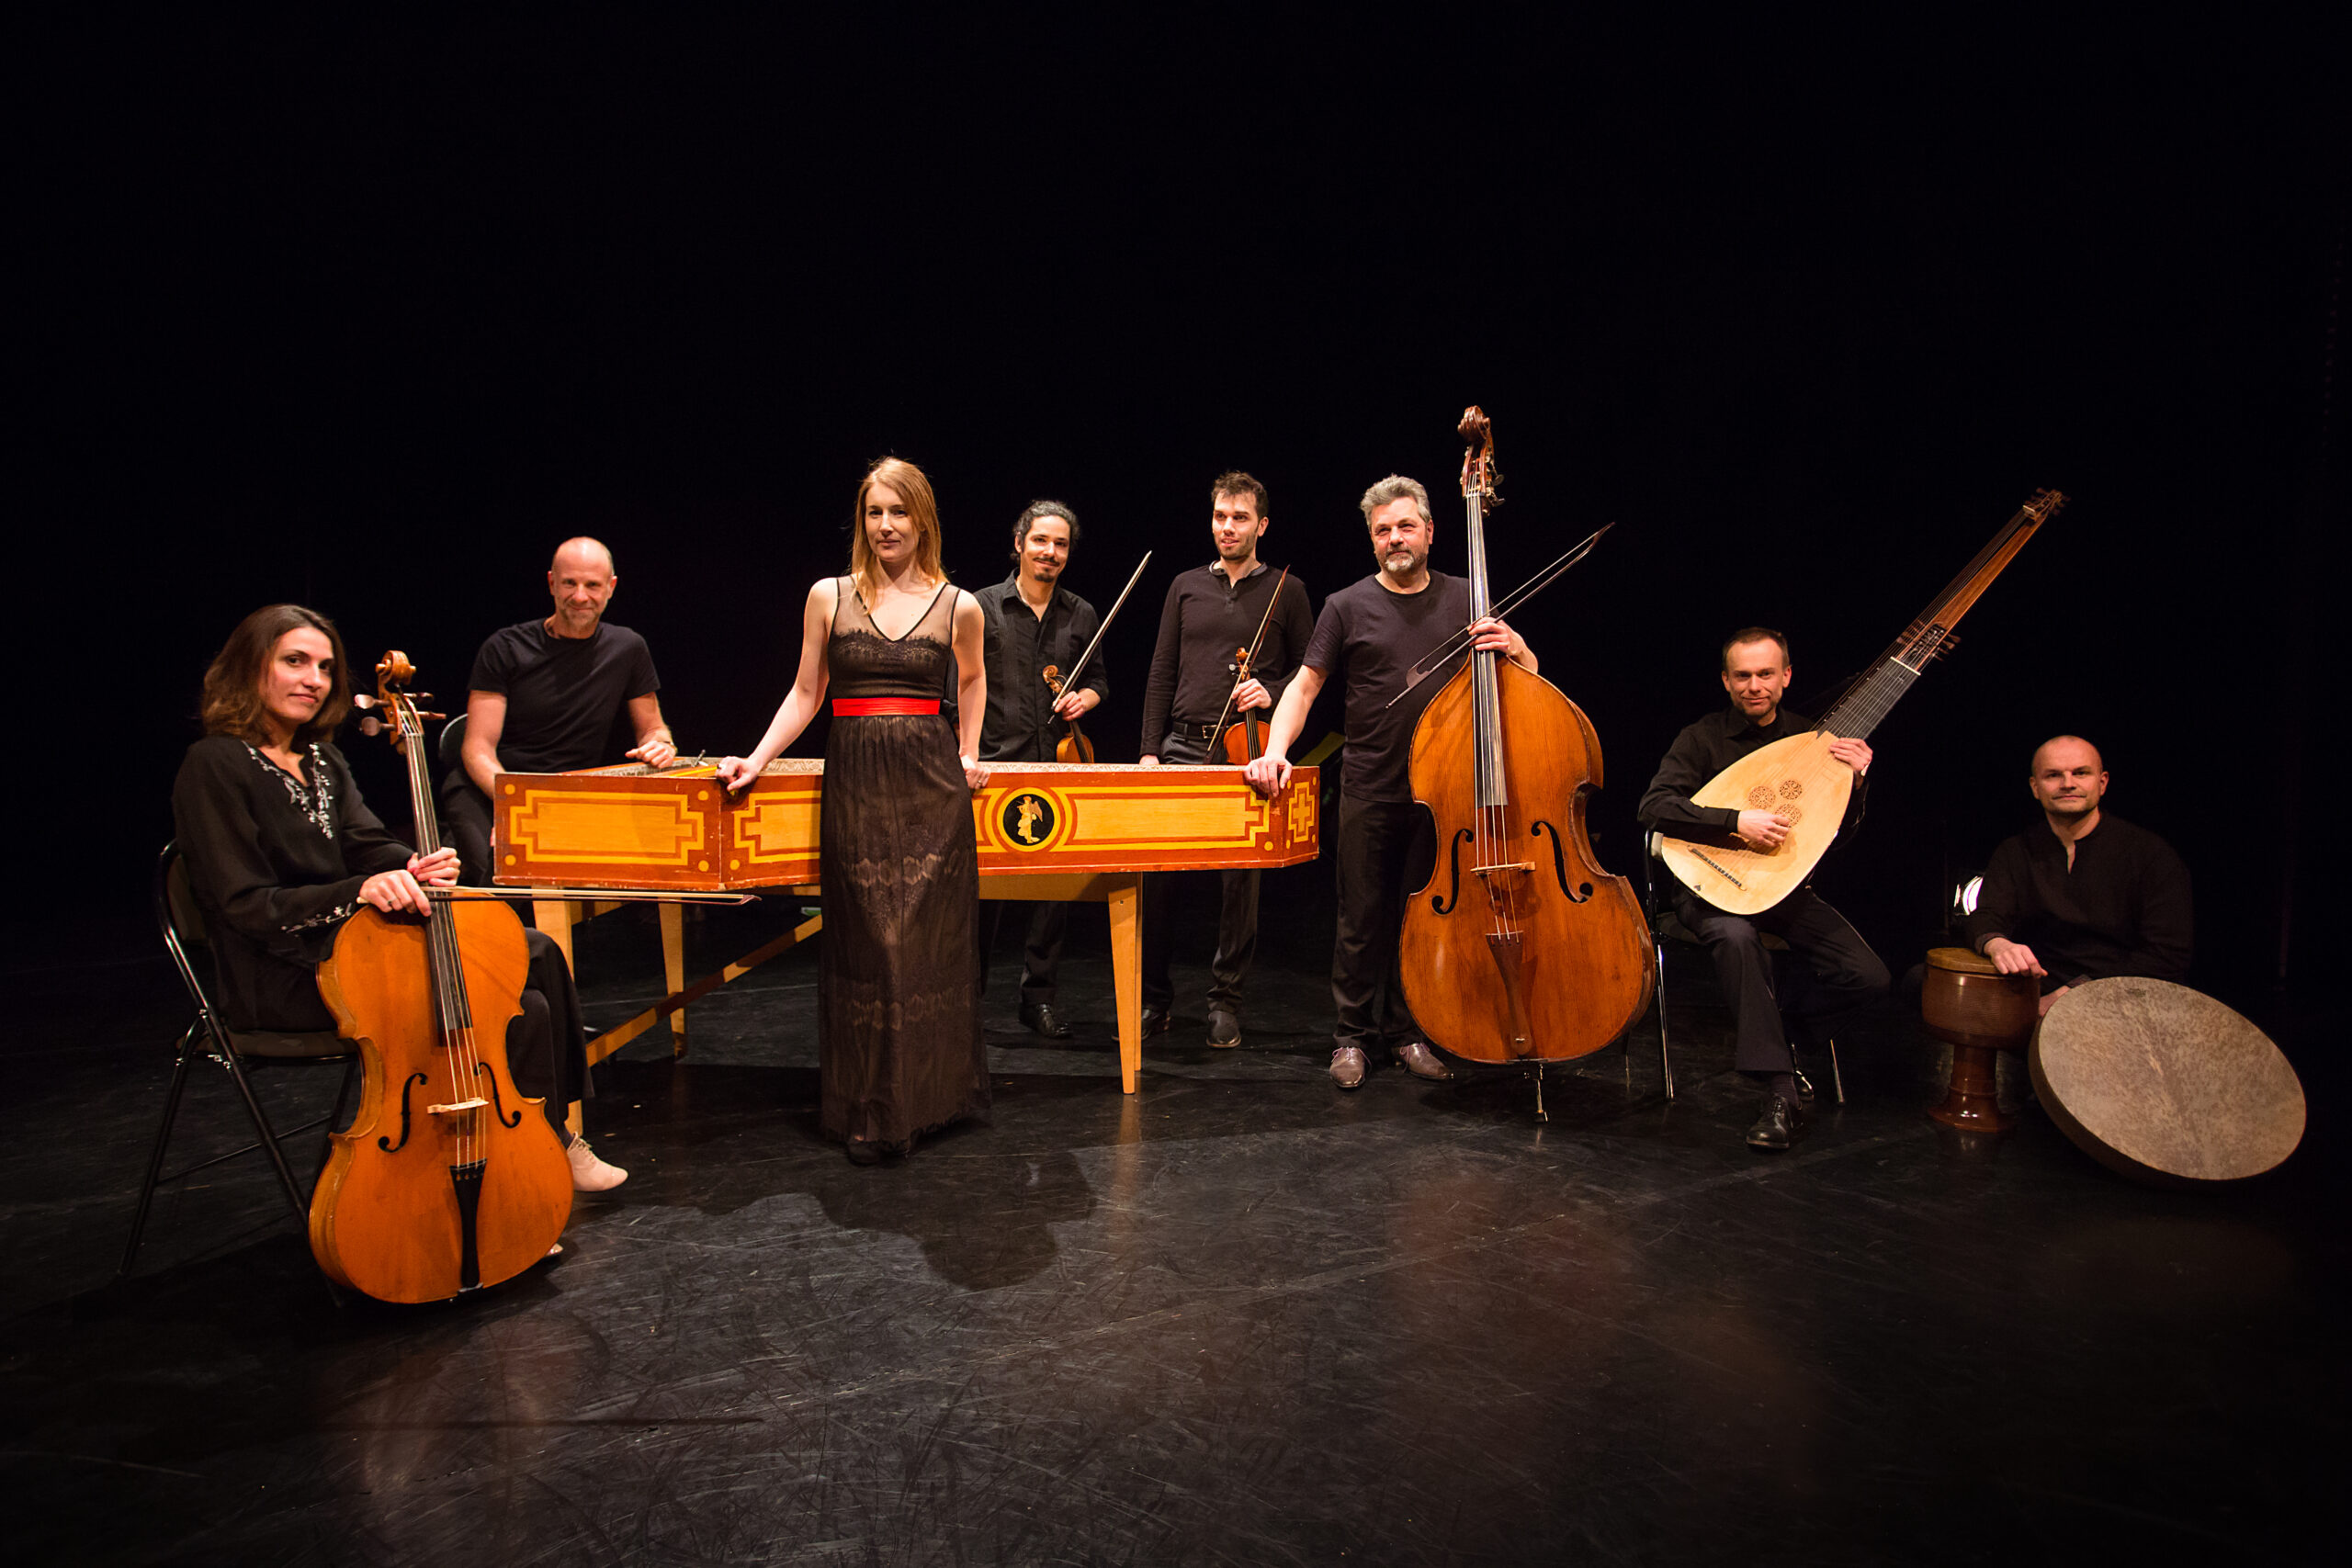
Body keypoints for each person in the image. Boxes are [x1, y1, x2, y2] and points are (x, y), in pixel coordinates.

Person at [170, 604, 627, 1204]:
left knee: (531, 954)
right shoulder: (215, 764)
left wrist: (414, 862)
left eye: (326, 667)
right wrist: (356, 890)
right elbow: (245, 904)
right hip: (277, 972)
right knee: (513, 998)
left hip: (352, 949)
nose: (314, 679)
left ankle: (546, 1143)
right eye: (294, 661)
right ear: (250, 668)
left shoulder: (322, 761)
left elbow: (367, 842)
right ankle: (511, 1171)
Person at [717, 458, 990, 1165]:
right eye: (874, 512)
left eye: (899, 512)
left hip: (933, 790)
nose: (886, 525)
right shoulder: (827, 595)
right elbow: (806, 692)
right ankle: (869, 1106)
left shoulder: (959, 604)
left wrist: (968, 753)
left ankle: (926, 1101)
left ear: (922, 518)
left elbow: (973, 679)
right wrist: (759, 757)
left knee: (921, 952)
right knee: (870, 949)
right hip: (859, 788)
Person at [1244, 475, 1531, 1090]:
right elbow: (1304, 685)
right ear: (1372, 541)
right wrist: (1273, 748)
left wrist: (1519, 648)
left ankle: (1407, 1032)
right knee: (1361, 919)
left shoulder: (1468, 598)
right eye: (1382, 530)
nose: (1394, 537)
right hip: (1370, 787)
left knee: (1419, 920)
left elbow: (1526, 684)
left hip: (1445, 793)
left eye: (1404, 526)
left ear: (1430, 531)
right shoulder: (1346, 604)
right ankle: (1352, 1036)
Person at [1637, 627, 1891, 1152]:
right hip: (1706, 885)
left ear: (1787, 677)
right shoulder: (1701, 737)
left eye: (1766, 674)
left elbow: (1832, 840)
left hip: (1781, 887)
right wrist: (1735, 820)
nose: (1756, 686)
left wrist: (1857, 784)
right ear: (1727, 681)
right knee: (1734, 938)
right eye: (1744, 676)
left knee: (1869, 975)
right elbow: (1654, 807)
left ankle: (1779, 1037)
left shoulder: (1815, 741)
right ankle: (1780, 1094)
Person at [1136, 470, 1314, 1047]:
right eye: (1220, 516)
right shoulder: (1184, 585)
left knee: (1241, 883)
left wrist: (1271, 686)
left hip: (1248, 750)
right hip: (1182, 746)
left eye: (1240, 518)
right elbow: (1162, 670)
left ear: (1261, 524)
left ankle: (1225, 1001)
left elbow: (1311, 676)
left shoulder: (1288, 591)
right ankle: (1154, 1000)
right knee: (1157, 878)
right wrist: (1147, 751)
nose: (1228, 527)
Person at [440, 537, 675, 886]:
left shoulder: (628, 648)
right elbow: (476, 749)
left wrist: (661, 743)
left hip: (567, 798)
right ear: (552, 583)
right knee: (495, 868)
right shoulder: (504, 647)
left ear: (610, 588)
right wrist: (517, 805)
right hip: (491, 791)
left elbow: (654, 729)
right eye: (569, 583)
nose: (580, 596)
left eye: (592, 585)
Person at [973, 500, 1108, 1040]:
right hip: (992, 765)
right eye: (1041, 541)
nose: (1050, 553)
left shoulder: (1082, 614)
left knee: (1055, 893)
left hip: (1058, 764)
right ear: (1019, 541)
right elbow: (958, 687)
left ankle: (1039, 997)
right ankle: (967, 998)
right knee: (980, 897)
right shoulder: (978, 608)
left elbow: (1100, 680)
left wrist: (1086, 700)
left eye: (1060, 545)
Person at [1961, 735, 2191, 1014]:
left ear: (2102, 783)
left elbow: (2165, 955)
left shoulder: (2151, 855)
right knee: (1922, 979)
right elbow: (1985, 915)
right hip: (2036, 988)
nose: (2068, 783)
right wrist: (1997, 944)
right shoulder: (2016, 851)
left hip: (2119, 995)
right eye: (2053, 775)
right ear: (2035, 787)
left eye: (2081, 773)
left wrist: (2076, 993)